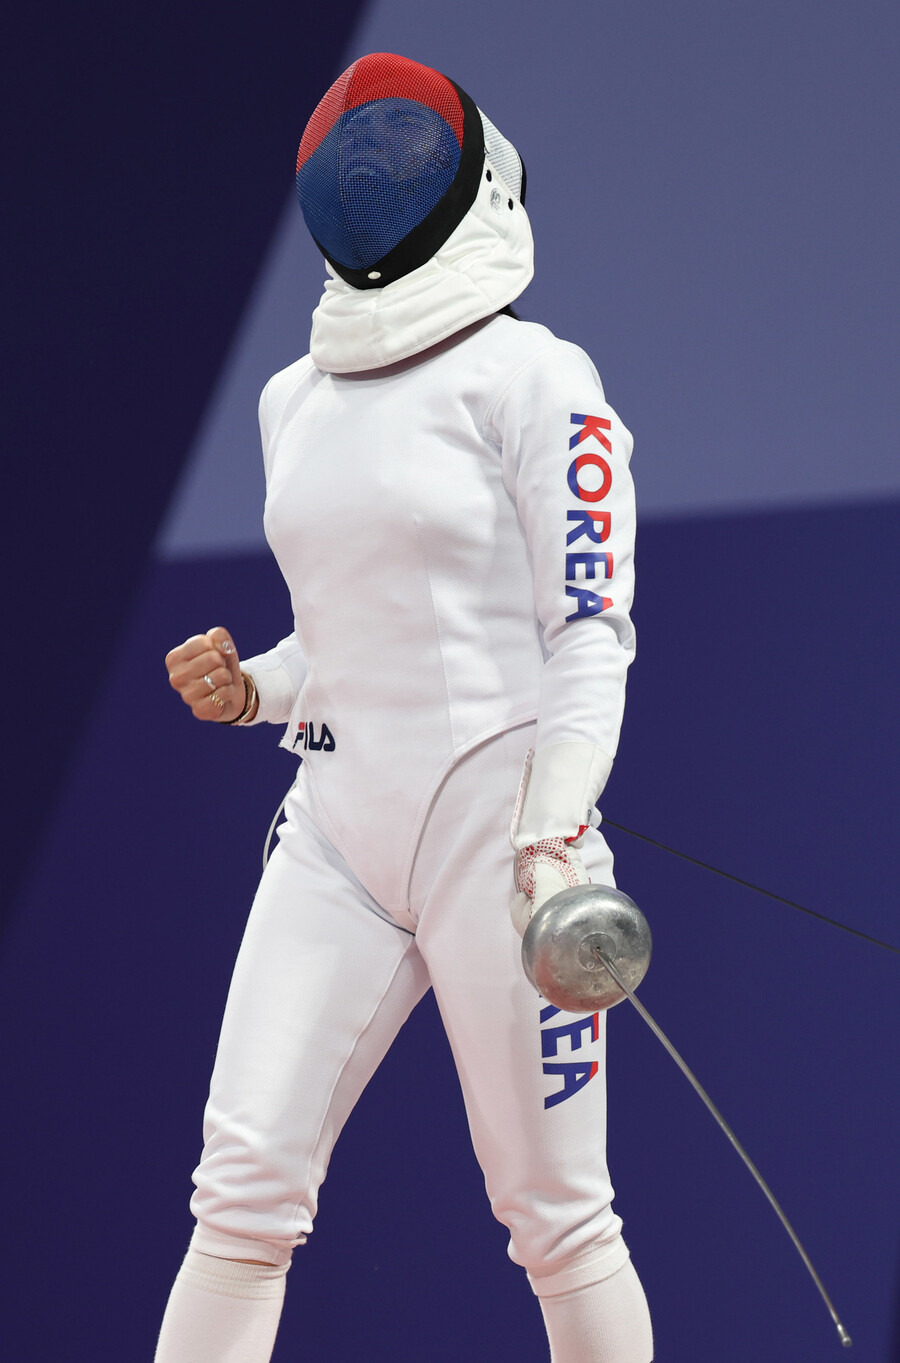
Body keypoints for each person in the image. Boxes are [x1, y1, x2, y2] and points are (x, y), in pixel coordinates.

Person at [156, 52, 653, 1363]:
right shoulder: (291, 401)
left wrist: (554, 835)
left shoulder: (540, 379)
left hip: (506, 842)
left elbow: (588, 630)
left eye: (396, 157)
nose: (372, 173)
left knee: (560, 1221)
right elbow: (344, 639)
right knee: (240, 1194)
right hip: (336, 830)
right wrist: (255, 690)